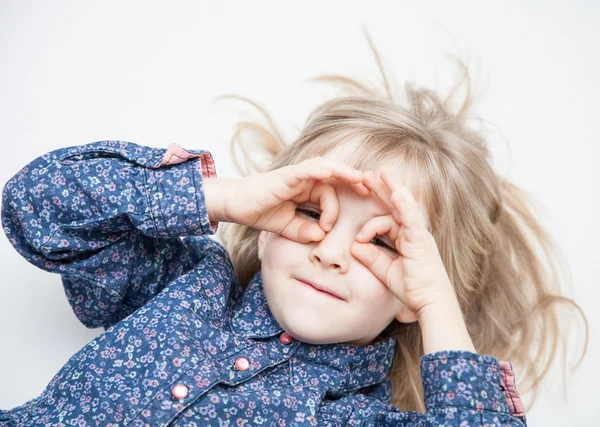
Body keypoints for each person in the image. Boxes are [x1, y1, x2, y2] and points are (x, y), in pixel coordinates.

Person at [0, 37, 587, 426]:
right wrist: (227, 197)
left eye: (382, 243)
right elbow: (37, 209)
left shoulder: (359, 417)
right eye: (312, 213)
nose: (332, 252)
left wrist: (438, 304)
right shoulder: (178, 284)